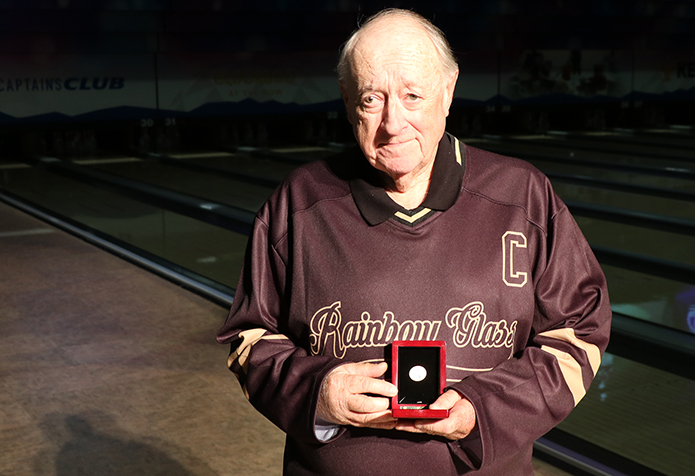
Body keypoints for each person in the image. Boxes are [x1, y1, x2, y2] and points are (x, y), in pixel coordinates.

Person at [217, 8, 610, 476]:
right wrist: (318, 392)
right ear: (347, 99)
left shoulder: (523, 196)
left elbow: (580, 334)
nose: (393, 123)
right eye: (371, 99)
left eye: (412, 96)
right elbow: (248, 339)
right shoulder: (298, 203)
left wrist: (482, 410)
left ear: (448, 90)